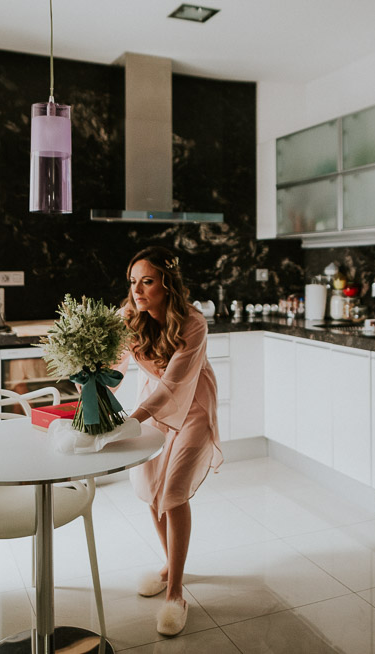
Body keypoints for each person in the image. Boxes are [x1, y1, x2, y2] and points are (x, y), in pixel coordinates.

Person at [115, 246, 222, 637]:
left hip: (191, 403)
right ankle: (169, 565)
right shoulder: (130, 316)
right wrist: (89, 380)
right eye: (133, 282)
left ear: (167, 284)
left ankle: (176, 592)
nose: (137, 290)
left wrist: (133, 420)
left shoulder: (193, 323)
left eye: (147, 281)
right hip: (151, 400)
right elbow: (113, 366)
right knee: (150, 486)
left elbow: (176, 383)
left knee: (174, 491)